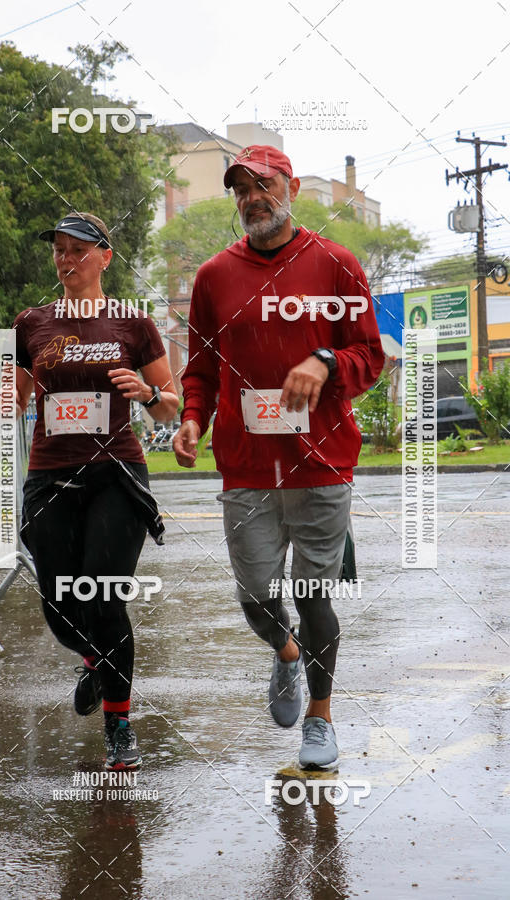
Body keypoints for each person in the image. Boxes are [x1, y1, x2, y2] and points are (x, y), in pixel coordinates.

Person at [173, 146, 384, 769]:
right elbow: (201, 369)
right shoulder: (214, 277)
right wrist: (190, 420)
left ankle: (320, 722)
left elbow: (370, 355)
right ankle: (286, 652)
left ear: (289, 187)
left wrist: (325, 362)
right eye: (240, 189)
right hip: (245, 466)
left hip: (320, 462)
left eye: (262, 185)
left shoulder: (336, 265)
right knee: (257, 599)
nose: (251, 198)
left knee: (314, 591)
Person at [13, 212, 178, 770]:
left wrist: (147, 389)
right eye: (58, 249)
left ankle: (119, 724)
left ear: (105, 257)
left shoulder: (134, 324)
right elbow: (12, 398)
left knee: (103, 596)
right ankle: (92, 659)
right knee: (61, 605)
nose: (65, 259)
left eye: (77, 249)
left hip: (116, 474)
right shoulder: (31, 323)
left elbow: (169, 403)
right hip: (51, 474)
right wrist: (1, 401)